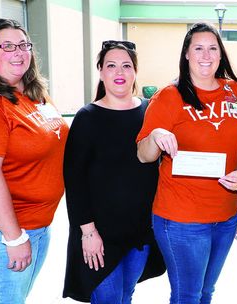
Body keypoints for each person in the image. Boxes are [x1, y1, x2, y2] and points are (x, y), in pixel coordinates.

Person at [136, 22, 237, 304]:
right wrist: (157, 134)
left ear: (221, 54)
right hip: (181, 219)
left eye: (213, 48)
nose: (206, 55)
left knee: (205, 292)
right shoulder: (169, 96)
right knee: (187, 295)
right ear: (187, 54)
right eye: (198, 48)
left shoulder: (236, 91)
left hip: (226, 215)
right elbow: (144, 155)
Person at [0, 18, 68, 304]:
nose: (18, 52)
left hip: (35, 223)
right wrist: (14, 238)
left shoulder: (32, 91)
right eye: (6, 46)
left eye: (23, 45)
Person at [62, 40, 165, 303]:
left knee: (125, 295)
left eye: (126, 66)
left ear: (135, 72)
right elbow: (74, 182)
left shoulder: (149, 110)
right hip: (99, 234)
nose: (119, 72)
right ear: (100, 71)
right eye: (111, 65)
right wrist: (88, 233)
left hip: (139, 232)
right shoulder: (87, 117)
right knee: (108, 298)